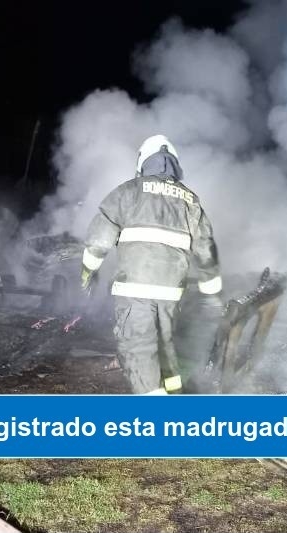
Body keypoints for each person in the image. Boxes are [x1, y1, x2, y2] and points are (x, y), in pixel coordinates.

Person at [80, 134, 222, 394]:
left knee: (139, 351)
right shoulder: (191, 200)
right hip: (171, 295)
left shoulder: (129, 191)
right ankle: (174, 396)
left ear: (143, 163)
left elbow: (98, 240)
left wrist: (88, 270)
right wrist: (212, 294)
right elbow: (206, 250)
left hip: (136, 292)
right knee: (165, 348)